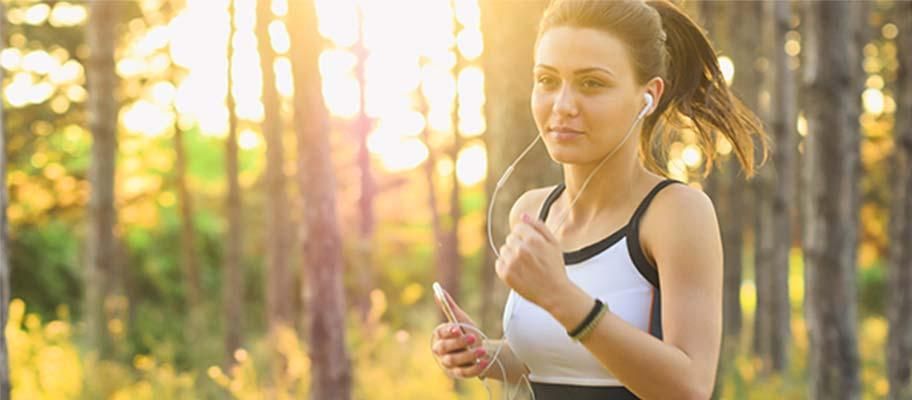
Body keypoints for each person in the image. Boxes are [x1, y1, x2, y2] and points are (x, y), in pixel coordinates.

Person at [431, 0, 767, 398]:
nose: (563, 106)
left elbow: (689, 387)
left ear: (649, 96)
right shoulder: (531, 211)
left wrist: (563, 298)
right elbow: (559, 360)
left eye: (592, 83)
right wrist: (485, 355)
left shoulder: (675, 213)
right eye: (547, 80)